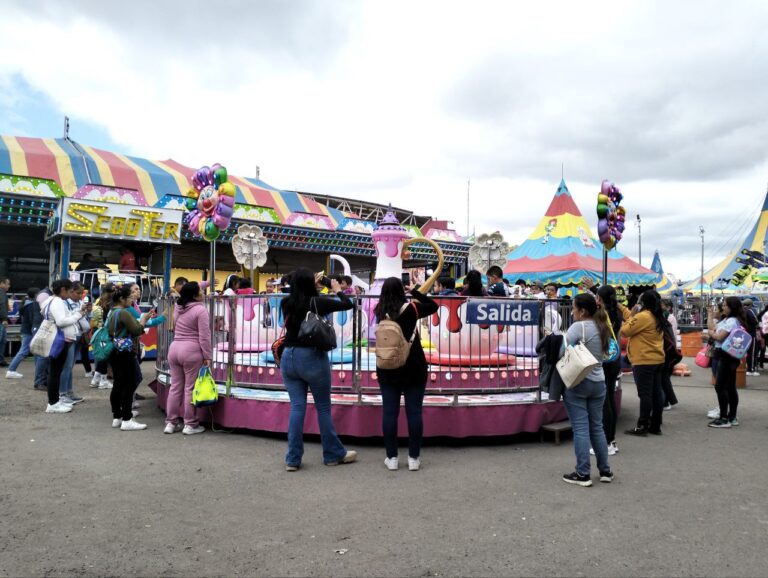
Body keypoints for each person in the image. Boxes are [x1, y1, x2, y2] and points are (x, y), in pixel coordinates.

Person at [279, 268, 357, 471]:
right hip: (311, 356)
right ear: (310, 283)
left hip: (288, 356)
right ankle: (332, 454)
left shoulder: (286, 302)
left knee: (297, 408)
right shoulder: (318, 303)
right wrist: (336, 288)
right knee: (322, 407)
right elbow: (348, 304)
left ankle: (292, 459)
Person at [374, 277, 438, 471]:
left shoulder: (379, 311)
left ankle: (392, 458)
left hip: (387, 367)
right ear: (402, 291)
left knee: (389, 412)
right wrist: (416, 292)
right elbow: (433, 305)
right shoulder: (412, 309)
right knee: (414, 412)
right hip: (413, 366)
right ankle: (413, 458)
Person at [560, 292, 613, 487]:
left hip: (579, 382)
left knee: (581, 428)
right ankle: (605, 470)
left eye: (573, 308)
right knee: (597, 427)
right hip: (599, 382)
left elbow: (561, 351)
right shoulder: (602, 326)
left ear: (582, 311)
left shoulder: (578, 327)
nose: (572, 311)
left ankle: (583, 473)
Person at [165, 282, 212, 435]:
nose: (203, 292)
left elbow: (187, 289)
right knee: (189, 388)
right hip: (191, 351)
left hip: (174, 349)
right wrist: (207, 356)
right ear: (195, 295)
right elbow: (204, 336)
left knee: (175, 387)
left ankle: (170, 423)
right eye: (201, 290)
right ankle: (190, 424)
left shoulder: (178, 307)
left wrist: (206, 283)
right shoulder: (200, 310)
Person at [41, 279, 91, 414]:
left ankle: (55, 401)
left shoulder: (50, 300)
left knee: (55, 371)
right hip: (60, 339)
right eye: (69, 291)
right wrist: (78, 315)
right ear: (63, 289)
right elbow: (61, 321)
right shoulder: (57, 301)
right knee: (56, 372)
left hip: (60, 339)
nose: (70, 294)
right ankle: (54, 403)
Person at [621, 290, 665, 436]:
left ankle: (642, 425)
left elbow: (625, 331)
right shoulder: (656, 316)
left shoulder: (642, 316)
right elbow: (633, 320)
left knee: (645, 394)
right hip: (657, 359)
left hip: (643, 360)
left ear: (643, 302)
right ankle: (655, 424)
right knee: (656, 393)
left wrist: (633, 315)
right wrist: (623, 309)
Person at [107, 285, 151, 430]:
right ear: (122, 298)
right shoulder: (124, 313)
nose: (132, 301)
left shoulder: (112, 312)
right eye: (130, 298)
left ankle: (117, 416)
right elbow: (137, 330)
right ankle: (127, 419)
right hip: (126, 351)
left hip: (115, 351)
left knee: (118, 384)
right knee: (129, 384)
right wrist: (144, 319)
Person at [706, 297, 747, 428]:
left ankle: (724, 418)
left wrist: (711, 333)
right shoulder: (727, 320)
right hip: (727, 356)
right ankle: (732, 416)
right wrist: (710, 315)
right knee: (729, 387)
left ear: (731, 307)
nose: (723, 307)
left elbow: (718, 336)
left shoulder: (732, 321)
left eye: (725, 305)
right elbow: (712, 327)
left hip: (726, 356)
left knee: (720, 387)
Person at [595, 285, 621, 455]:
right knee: (610, 398)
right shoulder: (617, 312)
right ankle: (611, 439)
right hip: (614, 359)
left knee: (604, 402)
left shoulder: (601, 315)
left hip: (604, 359)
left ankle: (607, 441)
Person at [58, 282, 89, 406]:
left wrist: (86, 311)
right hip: (69, 337)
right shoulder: (64, 303)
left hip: (80, 336)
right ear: (70, 291)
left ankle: (69, 392)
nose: (81, 295)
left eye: (82, 293)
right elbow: (66, 319)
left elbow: (83, 318)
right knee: (66, 366)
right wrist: (79, 312)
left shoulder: (80, 302)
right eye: (78, 293)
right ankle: (63, 394)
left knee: (70, 366)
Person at [5, 288, 42, 380]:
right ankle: (11, 370)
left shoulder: (26, 304)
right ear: (36, 295)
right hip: (29, 331)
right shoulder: (32, 305)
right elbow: (32, 320)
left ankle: (39, 371)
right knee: (24, 351)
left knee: (29, 351)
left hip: (26, 330)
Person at [90, 283, 115, 389]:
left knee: (101, 355)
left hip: (97, 331)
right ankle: (103, 380)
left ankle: (96, 378)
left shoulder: (98, 301)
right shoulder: (111, 304)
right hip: (106, 332)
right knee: (105, 356)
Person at [742, 298, 759, 376]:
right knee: (752, 352)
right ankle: (751, 369)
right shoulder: (750, 311)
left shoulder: (742, 312)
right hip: (752, 333)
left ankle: (746, 367)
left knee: (745, 352)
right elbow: (756, 321)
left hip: (744, 334)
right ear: (750, 305)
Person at [0, 277, 9, 367]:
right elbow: (2, 305)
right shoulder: (1, 292)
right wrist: (4, 318)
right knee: (1, 341)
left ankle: (1, 360)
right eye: (7, 284)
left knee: (2, 341)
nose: (8, 286)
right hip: (1, 321)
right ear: (2, 283)